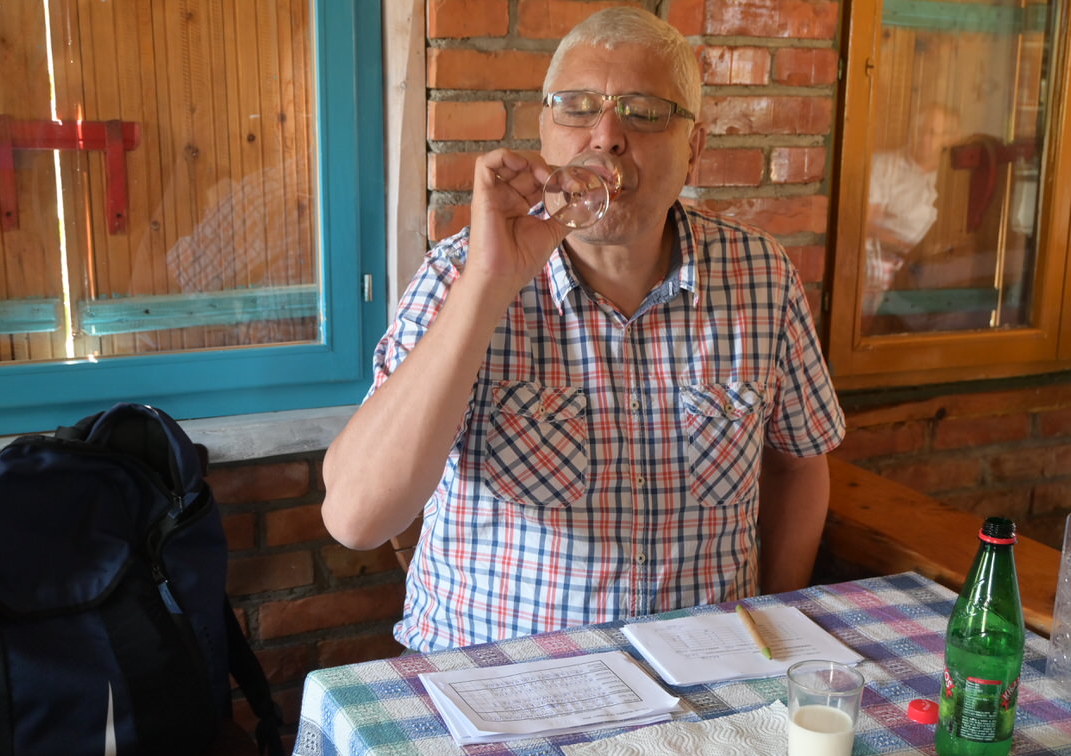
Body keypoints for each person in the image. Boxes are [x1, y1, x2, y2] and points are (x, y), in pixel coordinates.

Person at [321, 7, 845, 652]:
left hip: (706, 668)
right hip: (499, 675)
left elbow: (799, 463)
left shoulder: (760, 273)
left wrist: (775, 620)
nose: (606, 136)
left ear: (694, 149)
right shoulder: (459, 272)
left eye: (644, 112)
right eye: (577, 108)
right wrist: (489, 283)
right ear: (545, 132)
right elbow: (356, 519)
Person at [863, 103, 960, 317]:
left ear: (948, 139)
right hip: (887, 260)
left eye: (932, 133)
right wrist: (905, 247)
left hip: (936, 266)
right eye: (919, 129)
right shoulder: (884, 165)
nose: (924, 138)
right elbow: (866, 225)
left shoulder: (954, 178)